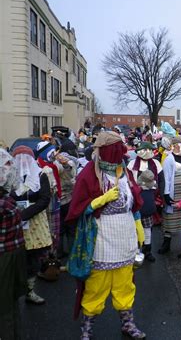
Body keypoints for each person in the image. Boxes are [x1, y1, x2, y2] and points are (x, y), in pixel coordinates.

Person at [66, 131, 146, 339]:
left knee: (125, 283)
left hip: (125, 234)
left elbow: (134, 203)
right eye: (116, 150)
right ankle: (87, 328)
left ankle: (127, 323)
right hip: (101, 236)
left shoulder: (125, 172)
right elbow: (77, 209)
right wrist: (100, 200)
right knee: (96, 285)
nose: (120, 154)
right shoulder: (89, 174)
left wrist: (138, 224)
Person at [11, 146, 52, 305]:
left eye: (25, 158)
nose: (22, 162)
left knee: (33, 256)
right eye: (18, 158)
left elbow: (44, 199)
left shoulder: (41, 174)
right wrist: (16, 214)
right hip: (14, 220)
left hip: (34, 221)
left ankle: (30, 290)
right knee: (14, 257)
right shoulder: (8, 177)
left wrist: (25, 214)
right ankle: (13, 290)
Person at [0, 148, 27, 340]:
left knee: (4, 305)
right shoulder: (8, 201)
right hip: (14, 254)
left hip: (4, 258)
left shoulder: (4, 205)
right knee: (10, 301)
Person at [159, 136, 181, 255]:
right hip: (173, 193)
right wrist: (166, 194)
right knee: (169, 219)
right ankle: (166, 243)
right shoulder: (169, 159)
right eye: (180, 143)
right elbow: (166, 178)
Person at [137, 170, 159, 263]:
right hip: (138, 213)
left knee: (147, 232)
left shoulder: (151, 187)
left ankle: (147, 251)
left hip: (147, 213)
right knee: (138, 232)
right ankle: (138, 251)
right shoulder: (137, 189)